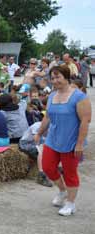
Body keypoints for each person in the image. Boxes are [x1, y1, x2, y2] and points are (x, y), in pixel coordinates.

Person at [34, 65, 91, 216]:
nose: (55, 80)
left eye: (58, 77)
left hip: (71, 141)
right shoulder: (52, 95)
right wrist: (39, 133)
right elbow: (48, 116)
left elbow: (85, 121)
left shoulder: (79, 97)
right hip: (53, 139)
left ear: (66, 77)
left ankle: (71, 204)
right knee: (47, 167)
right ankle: (62, 190)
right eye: (52, 78)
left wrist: (79, 144)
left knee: (70, 173)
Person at [19, 121, 53, 187]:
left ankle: (55, 171)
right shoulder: (37, 126)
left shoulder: (51, 127)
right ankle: (41, 175)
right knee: (42, 150)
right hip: (25, 144)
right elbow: (37, 141)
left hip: (36, 144)